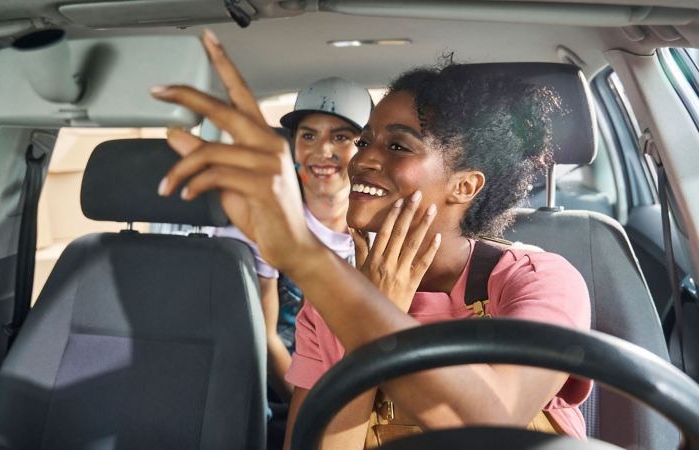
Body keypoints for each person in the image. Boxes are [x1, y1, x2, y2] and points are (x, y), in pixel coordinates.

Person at [152, 29, 591, 450]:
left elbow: (487, 421)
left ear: (464, 185)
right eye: (364, 142)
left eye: (398, 146)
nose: (362, 161)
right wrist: (374, 306)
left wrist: (319, 269)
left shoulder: (537, 282)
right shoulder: (328, 307)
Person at [213, 76, 372, 404]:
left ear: (364, 148)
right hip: (293, 394)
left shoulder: (381, 231)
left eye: (341, 137)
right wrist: (313, 413)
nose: (321, 151)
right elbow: (267, 340)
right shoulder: (264, 228)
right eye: (308, 136)